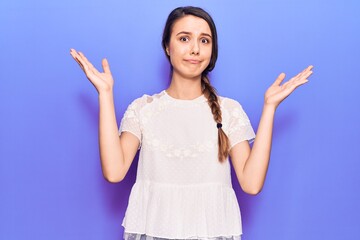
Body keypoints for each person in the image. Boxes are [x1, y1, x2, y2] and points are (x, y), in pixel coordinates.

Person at [70, 6, 313, 240]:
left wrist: (270, 107)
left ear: (212, 50)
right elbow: (114, 172)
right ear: (167, 46)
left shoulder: (229, 111)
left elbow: (251, 183)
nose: (195, 49)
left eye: (204, 40)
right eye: (184, 39)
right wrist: (105, 93)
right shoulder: (143, 109)